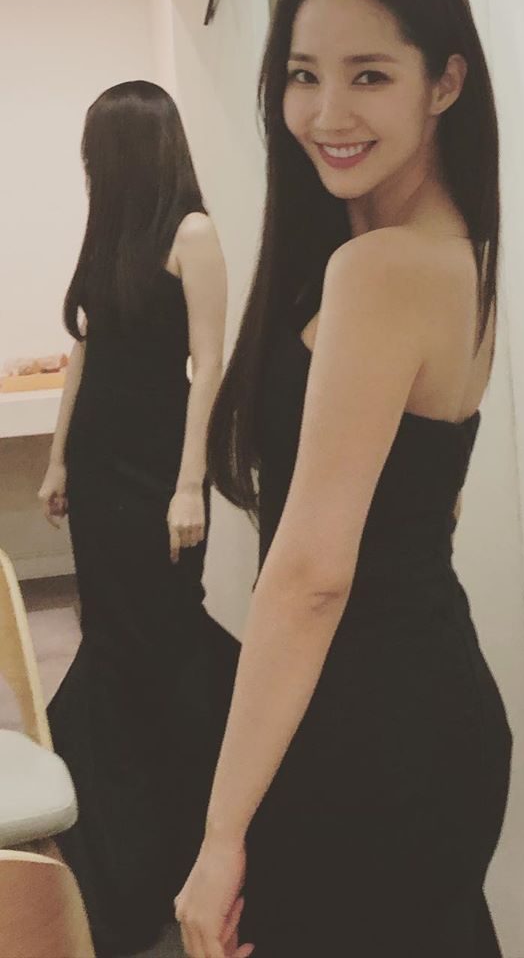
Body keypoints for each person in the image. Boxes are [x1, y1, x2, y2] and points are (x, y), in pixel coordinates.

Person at [174, 0, 513, 958]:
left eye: (369, 75)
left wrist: (219, 835)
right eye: (302, 76)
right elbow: (430, 504)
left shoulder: (380, 271)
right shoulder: (458, 254)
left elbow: (313, 575)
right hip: (423, 696)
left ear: (445, 82)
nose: (327, 114)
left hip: (365, 722)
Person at [39, 80, 238, 957]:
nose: (92, 165)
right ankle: (116, 857)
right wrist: (57, 458)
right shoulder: (111, 232)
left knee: (166, 637)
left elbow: (209, 362)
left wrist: (191, 482)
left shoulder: (192, 233)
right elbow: (85, 350)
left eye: (99, 150)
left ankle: (191, 833)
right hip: (99, 467)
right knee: (117, 643)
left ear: (130, 149)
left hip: (159, 471)